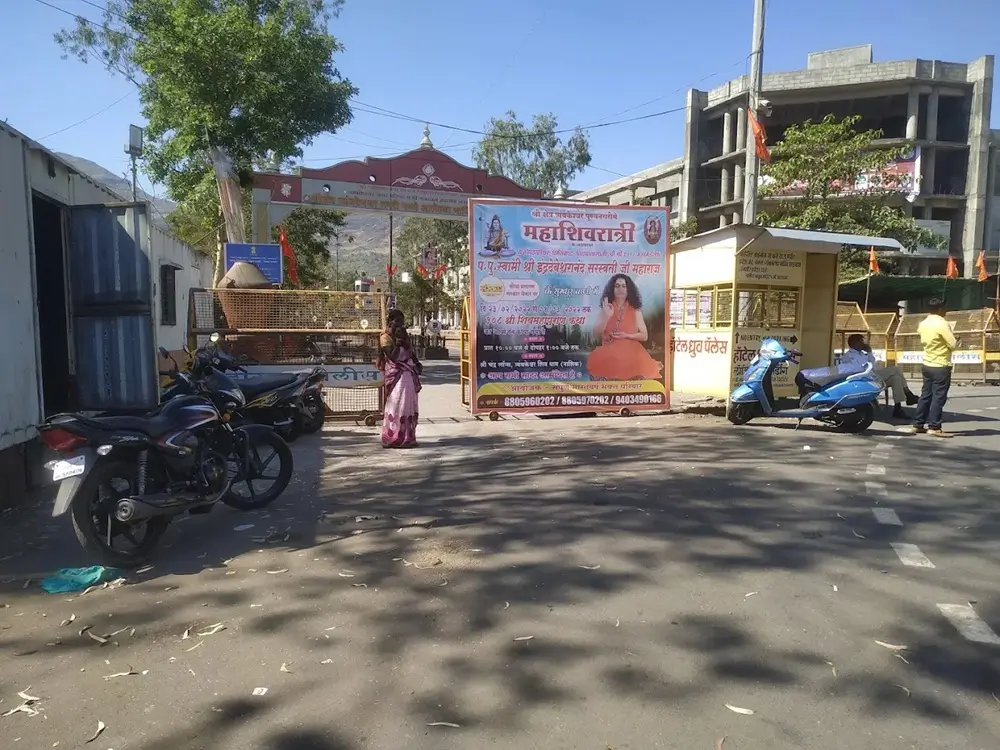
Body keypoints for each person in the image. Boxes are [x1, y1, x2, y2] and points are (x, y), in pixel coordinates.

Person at [586, 273, 662, 381]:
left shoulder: (635, 310)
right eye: (617, 286)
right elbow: (596, 334)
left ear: (628, 289)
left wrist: (626, 335)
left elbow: (644, 336)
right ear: (612, 289)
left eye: (623, 286)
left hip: (632, 353)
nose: (620, 289)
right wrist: (607, 316)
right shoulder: (606, 308)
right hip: (609, 354)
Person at [907, 298, 956, 438]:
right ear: (940, 309)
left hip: (927, 363)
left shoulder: (923, 323)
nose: (946, 311)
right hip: (941, 364)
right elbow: (952, 344)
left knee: (926, 395)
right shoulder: (942, 324)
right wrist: (956, 339)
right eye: (945, 308)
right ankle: (934, 426)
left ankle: (918, 424)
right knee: (938, 397)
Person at [841, 333, 917, 419]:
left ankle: (897, 409)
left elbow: (873, 363)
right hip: (865, 379)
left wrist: (869, 353)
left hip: (872, 376)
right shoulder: (849, 356)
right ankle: (909, 394)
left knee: (896, 379)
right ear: (855, 343)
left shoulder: (862, 354)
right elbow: (863, 369)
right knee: (895, 369)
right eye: (861, 341)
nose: (863, 343)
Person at [377, 309, 422, 448]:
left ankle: (408, 438)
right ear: (391, 321)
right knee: (396, 404)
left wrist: (417, 362)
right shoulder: (385, 337)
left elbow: (411, 352)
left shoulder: (404, 335)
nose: (400, 324)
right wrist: (398, 342)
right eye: (397, 321)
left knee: (408, 405)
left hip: (408, 374)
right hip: (395, 375)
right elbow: (394, 357)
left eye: (402, 322)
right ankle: (393, 437)